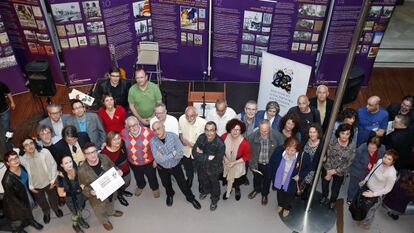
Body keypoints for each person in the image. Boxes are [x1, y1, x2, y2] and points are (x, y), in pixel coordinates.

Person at [150, 121, 201, 209]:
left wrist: (163, 155)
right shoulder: (152, 141)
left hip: (175, 165)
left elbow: (180, 153)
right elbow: (158, 159)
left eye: (158, 128)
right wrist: (172, 154)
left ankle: (190, 198)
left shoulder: (173, 136)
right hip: (162, 167)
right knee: (166, 183)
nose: (156, 132)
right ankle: (170, 194)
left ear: (163, 127)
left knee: (183, 183)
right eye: (154, 130)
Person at [78, 142, 124, 231]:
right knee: (100, 210)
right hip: (97, 197)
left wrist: (118, 171)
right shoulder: (82, 170)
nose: (93, 155)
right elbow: (82, 187)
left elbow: (113, 166)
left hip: (111, 189)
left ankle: (111, 211)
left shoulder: (104, 158)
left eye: (94, 151)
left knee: (111, 201)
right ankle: (104, 221)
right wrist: (90, 192)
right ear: (85, 155)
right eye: (89, 153)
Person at [19, 136, 63, 224]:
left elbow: (53, 165)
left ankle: (56, 208)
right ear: (23, 149)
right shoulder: (22, 159)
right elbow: (23, 174)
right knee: (41, 201)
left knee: (53, 197)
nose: (30, 146)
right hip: (35, 185)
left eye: (31, 143)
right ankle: (46, 213)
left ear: (34, 143)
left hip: (48, 182)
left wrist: (53, 180)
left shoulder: (44, 152)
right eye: (26, 145)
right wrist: (30, 186)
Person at [268, 137, 311, 218]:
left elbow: (309, 167)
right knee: (279, 193)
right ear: (285, 147)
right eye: (287, 149)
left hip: (291, 182)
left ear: (297, 150)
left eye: (292, 150)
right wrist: (271, 176)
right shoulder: (278, 151)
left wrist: (300, 176)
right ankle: (280, 205)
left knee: (289, 196)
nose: (289, 152)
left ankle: (287, 208)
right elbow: (272, 163)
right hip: (279, 179)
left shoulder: (303, 156)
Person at [2, 150, 43, 233]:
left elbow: (28, 180)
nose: (16, 160)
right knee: (18, 218)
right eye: (12, 159)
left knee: (28, 210)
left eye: (16, 157)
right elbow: (12, 197)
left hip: (25, 193)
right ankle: (19, 230)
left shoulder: (21, 167)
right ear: (7, 163)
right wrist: (23, 205)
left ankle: (31, 221)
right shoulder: (6, 180)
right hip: (15, 202)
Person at [357, 150, 397, 230]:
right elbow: (372, 171)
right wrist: (366, 179)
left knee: (370, 211)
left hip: (376, 195)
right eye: (385, 157)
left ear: (393, 162)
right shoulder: (379, 161)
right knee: (362, 205)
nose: (385, 160)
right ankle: (361, 216)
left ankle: (367, 224)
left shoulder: (392, 174)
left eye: (389, 159)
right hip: (367, 187)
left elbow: (388, 189)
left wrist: (373, 194)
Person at [121, 116, 160, 198]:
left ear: (139, 123)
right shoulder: (123, 133)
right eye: (130, 126)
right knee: (138, 176)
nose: (133, 128)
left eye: (135, 125)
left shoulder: (149, 132)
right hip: (133, 162)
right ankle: (141, 185)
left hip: (148, 162)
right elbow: (116, 143)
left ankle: (155, 188)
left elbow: (158, 146)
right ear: (127, 127)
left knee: (152, 176)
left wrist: (156, 160)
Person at [247, 119, 284, 206]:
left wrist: (276, 165)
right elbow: (249, 153)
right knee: (256, 178)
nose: (263, 133)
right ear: (258, 128)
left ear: (270, 128)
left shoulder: (277, 136)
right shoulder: (251, 137)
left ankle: (265, 194)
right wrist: (252, 165)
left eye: (266, 131)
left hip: (269, 164)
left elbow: (281, 151)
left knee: (267, 180)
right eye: (261, 130)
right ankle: (257, 189)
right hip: (257, 163)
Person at [320, 123, 356, 209]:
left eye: (347, 134)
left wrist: (335, 171)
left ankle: (332, 201)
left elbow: (349, 162)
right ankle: (324, 196)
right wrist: (329, 171)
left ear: (350, 134)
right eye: (342, 133)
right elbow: (327, 155)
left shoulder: (352, 145)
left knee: (336, 188)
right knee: (325, 184)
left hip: (340, 171)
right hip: (328, 167)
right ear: (338, 133)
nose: (344, 136)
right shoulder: (332, 141)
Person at [192, 121, 225, 211]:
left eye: (211, 130)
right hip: (201, 166)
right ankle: (205, 192)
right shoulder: (201, 137)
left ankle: (214, 200)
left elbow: (217, 160)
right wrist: (207, 157)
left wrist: (202, 153)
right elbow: (194, 153)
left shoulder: (220, 144)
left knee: (215, 185)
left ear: (215, 131)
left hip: (214, 169)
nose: (209, 133)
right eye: (207, 130)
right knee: (203, 181)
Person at [347, 136, 385, 204]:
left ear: (378, 147)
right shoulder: (361, 149)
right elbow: (353, 162)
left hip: (371, 173)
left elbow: (382, 159)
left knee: (364, 187)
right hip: (357, 171)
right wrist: (366, 166)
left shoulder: (382, 149)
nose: (371, 149)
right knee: (353, 185)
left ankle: (359, 198)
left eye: (374, 148)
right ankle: (350, 198)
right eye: (369, 147)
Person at [57, 155, 89, 233]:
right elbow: (61, 194)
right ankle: (75, 225)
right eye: (66, 163)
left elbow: (83, 181)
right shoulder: (60, 178)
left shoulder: (77, 170)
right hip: (71, 199)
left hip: (80, 196)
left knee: (80, 208)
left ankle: (80, 219)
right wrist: (77, 190)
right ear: (62, 165)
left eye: (70, 161)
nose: (69, 164)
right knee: (75, 213)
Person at [221, 119, 251, 201]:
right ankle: (229, 189)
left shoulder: (244, 142)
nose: (235, 131)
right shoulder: (224, 137)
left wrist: (234, 162)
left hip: (238, 163)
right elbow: (219, 150)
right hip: (226, 161)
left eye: (238, 130)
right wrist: (225, 159)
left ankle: (237, 188)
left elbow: (247, 156)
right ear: (229, 129)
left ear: (241, 131)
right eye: (233, 129)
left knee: (236, 179)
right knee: (228, 176)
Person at [178, 106, 207, 188]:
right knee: (188, 168)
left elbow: (207, 140)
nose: (189, 118)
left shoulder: (204, 123)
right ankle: (190, 179)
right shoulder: (181, 119)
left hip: (199, 152)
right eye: (187, 116)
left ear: (197, 115)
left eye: (192, 116)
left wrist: (192, 145)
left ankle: (201, 183)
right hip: (186, 151)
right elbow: (180, 131)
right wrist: (181, 138)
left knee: (201, 169)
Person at [101, 131, 132, 206]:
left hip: (126, 169)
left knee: (127, 182)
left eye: (118, 138)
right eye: (114, 139)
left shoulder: (122, 144)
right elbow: (105, 167)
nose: (117, 141)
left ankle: (122, 191)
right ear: (109, 141)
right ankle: (119, 195)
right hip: (115, 174)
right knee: (118, 186)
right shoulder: (104, 153)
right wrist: (116, 172)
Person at [300, 123, 323, 199]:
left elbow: (322, 158)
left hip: (312, 168)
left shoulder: (321, 144)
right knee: (299, 180)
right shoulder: (305, 139)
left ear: (318, 133)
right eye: (310, 132)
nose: (312, 134)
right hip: (302, 165)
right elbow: (300, 151)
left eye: (314, 132)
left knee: (307, 182)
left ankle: (304, 193)